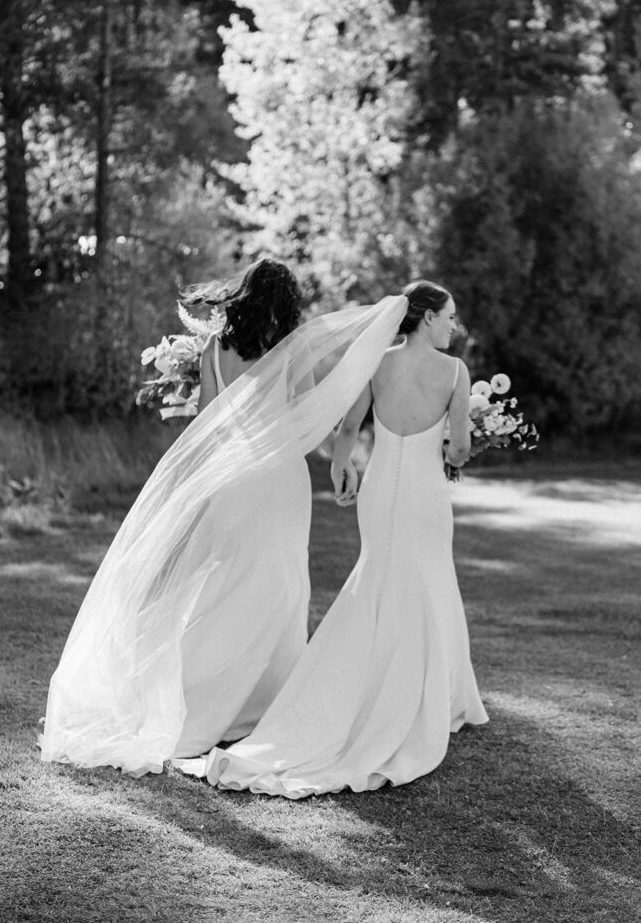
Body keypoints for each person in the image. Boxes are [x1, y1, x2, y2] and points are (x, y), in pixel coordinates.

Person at [40, 260, 408, 776]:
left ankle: (200, 698)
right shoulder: (290, 348)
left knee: (222, 582)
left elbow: (207, 423)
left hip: (231, 476)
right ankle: (255, 705)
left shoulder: (216, 348)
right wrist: (341, 460)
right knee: (279, 585)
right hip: (279, 477)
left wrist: (202, 478)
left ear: (244, 295)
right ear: (287, 302)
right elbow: (305, 413)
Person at [174, 281, 488, 797]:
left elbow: (347, 428)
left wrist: (344, 468)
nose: (454, 326)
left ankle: (356, 681)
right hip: (424, 493)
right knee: (430, 578)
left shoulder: (379, 363)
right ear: (427, 318)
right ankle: (437, 695)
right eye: (450, 316)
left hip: (378, 488)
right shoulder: (455, 372)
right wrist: (466, 444)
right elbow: (456, 450)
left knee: (378, 574)